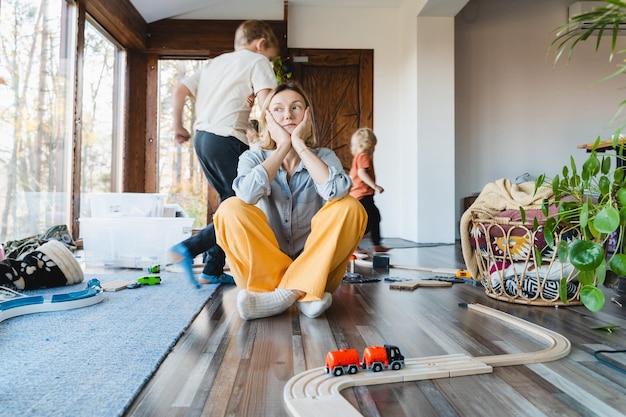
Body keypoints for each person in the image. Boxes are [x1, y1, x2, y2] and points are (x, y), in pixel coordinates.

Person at [214, 83, 367, 320]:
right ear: (267, 118)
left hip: (316, 264)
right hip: (263, 273)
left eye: (295, 108)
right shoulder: (252, 157)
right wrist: (283, 147)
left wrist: (299, 146)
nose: (287, 115)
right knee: (229, 209)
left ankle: (287, 294)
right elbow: (245, 194)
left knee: (351, 207)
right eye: (278, 109)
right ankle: (306, 294)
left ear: (306, 115)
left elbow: (336, 191)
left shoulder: (324, 156)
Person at [169, 20, 279, 286]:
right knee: (243, 202)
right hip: (227, 138)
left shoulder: (215, 63)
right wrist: (277, 139)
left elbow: (180, 88)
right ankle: (189, 248)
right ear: (261, 44)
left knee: (229, 202)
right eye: (272, 56)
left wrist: (177, 124)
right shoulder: (257, 61)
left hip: (203, 139)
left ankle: (211, 269)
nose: (270, 61)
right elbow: (268, 104)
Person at [349, 127, 389, 253]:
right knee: (365, 222)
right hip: (363, 195)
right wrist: (375, 186)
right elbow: (361, 173)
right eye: (373, 144)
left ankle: (376, 244)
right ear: (370, 143)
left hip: (360, 195)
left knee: (375, 216)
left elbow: (352, 175)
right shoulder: (364, 156)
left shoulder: (358, 156)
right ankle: (354, 246)